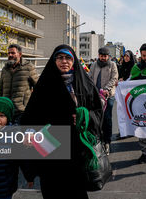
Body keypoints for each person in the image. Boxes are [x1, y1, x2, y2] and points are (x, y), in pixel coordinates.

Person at [21, 45, 103, 199]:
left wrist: (84, 116)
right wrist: (30, 131)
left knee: (76, 190)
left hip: (77, 147)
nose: (64, 61)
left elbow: (98, 111)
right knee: (52, 188)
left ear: (74, 61)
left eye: (68, 58)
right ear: (54, 60)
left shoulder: (85, 84)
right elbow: (31, 114)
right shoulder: (44, 85)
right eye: (59, 58)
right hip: (50, 145)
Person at [0, 44, 39, 124]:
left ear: (20, 54)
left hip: (21, 111)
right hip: (6, 110)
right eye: (9, 53)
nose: (10, 55)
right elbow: (0, 89)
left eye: (13, 53)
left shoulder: (28, 67)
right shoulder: (5, 69)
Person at [89, 47, 118, 155]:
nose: (103, 58)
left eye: (105, 56)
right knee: (96, 118)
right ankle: (98, 140)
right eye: (101, 55)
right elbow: (90, 77)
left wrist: (106, 89)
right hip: (96, 95)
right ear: (99, 55)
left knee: (107, 118)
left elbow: (114, 78)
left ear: (108, 56)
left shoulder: (112, 65)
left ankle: (107, 141)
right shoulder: (94, 65)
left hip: (108, 95)